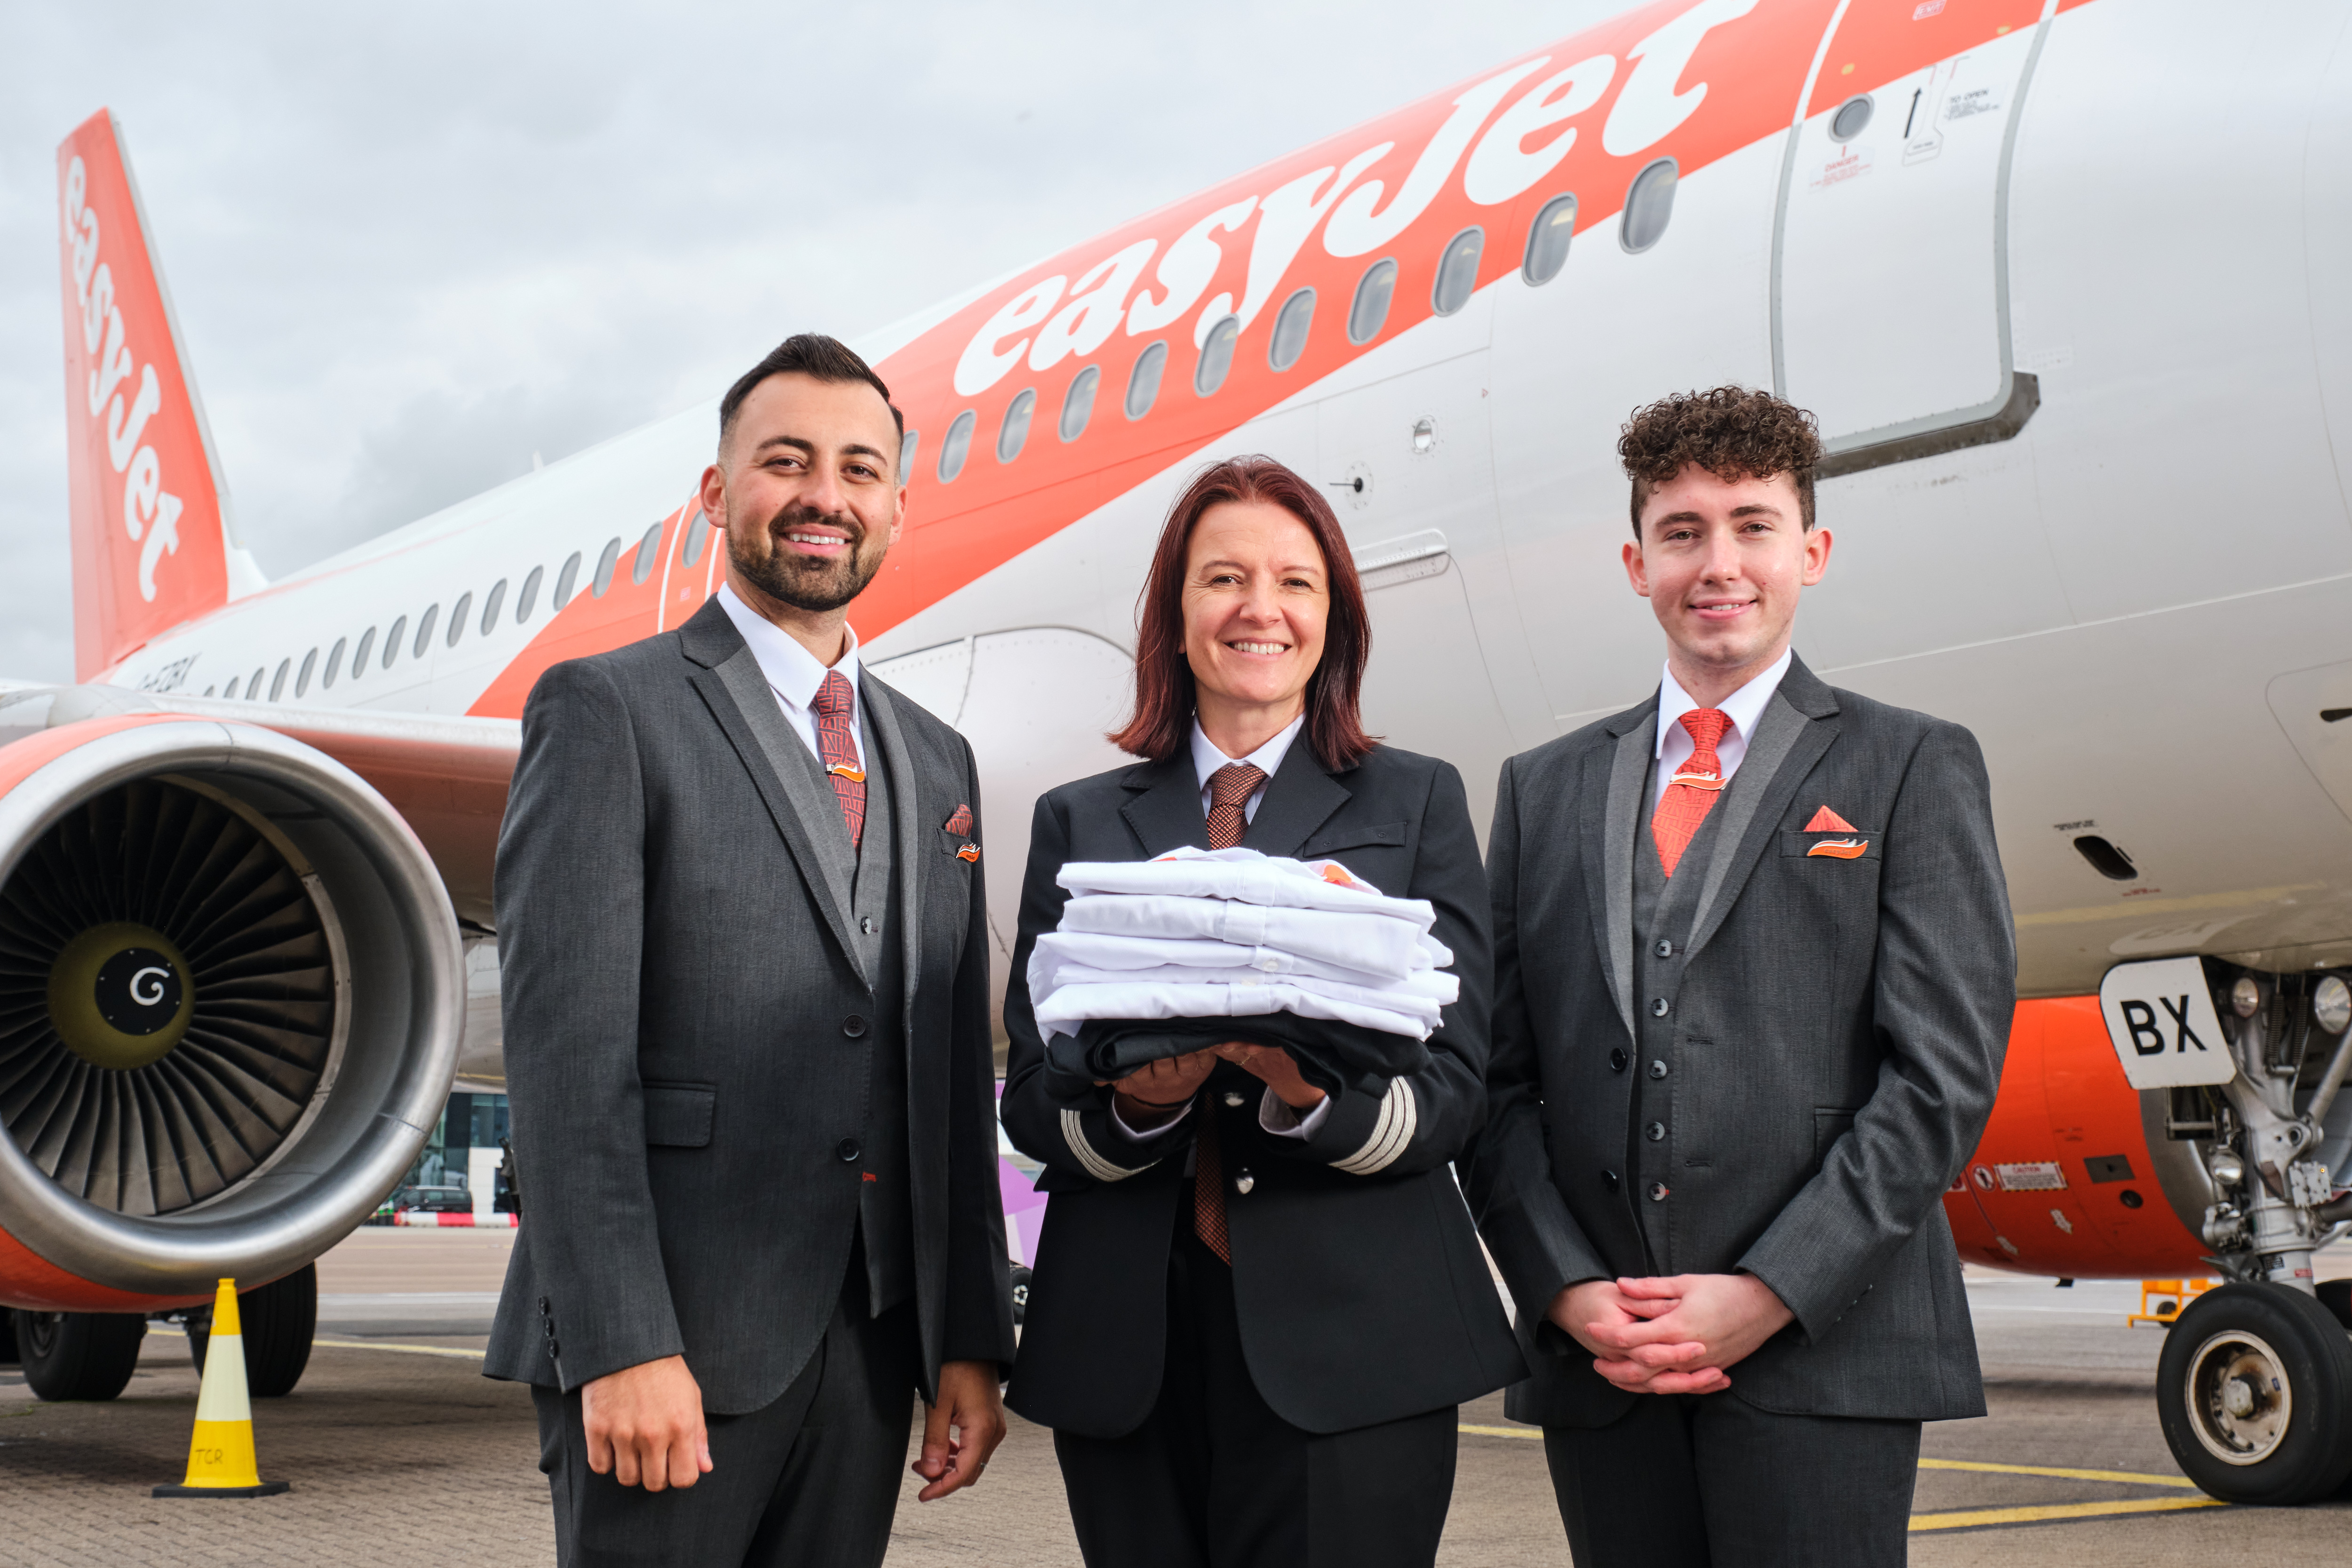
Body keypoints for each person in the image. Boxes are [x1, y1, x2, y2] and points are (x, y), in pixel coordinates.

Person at [485, 334, 1013, 1566]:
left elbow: (946, 1076)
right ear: (718, 494)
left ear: (896, 506)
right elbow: (568, 1066)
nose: (825, 494)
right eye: (786, 461)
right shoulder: (608, 708)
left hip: (867, 1351)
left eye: (859, 469)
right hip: (669, 1353)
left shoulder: (935, 757)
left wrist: (968, 1339)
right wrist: (622, 1340)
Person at [1462, 387, 2014, 1567]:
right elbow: (1497, 1082)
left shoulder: (1911, 762)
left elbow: (1940, 1081)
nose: (1718, 563)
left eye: (1753, 525)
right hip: (1604, 1359)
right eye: (1682, 531)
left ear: (1811, 550)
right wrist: (1563, 1288)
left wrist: (1767, 1289)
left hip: (1826, 1350)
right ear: (1636, 564)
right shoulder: (1542, 787)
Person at [997, 455, 1523, 1568]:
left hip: (1358, 1343)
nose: (1259, 608)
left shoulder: (1418, 800)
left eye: (1295, 581)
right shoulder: (1077, 820)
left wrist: (1307, 1096)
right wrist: (1141, 1107)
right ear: (1174, 612)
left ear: (1335, 618)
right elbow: (1036, 1093)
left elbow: (1454, 1084)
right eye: (1223, 577)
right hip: (1125, 1345)